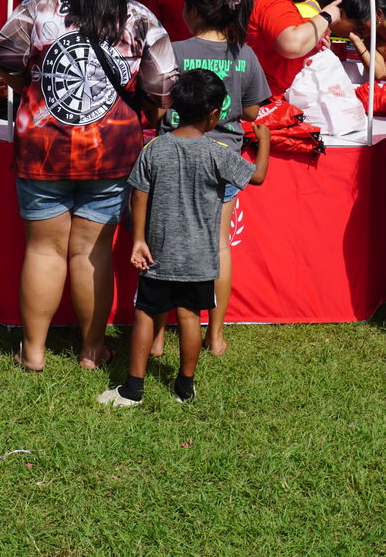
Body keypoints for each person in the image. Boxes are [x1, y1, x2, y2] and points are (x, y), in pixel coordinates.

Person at [0, 0, 177, 372]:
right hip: (110, 152)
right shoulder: (140, 19)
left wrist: (30, 85)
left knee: (43, 250)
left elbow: (2, 54)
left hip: (42, 146)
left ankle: (33, 353)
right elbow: (165, 86)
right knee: (92, 251)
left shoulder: (40, 4)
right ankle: (92, 351)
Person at [99, 69, 270, 407]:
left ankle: (133, 389)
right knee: (191, 318)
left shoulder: (155, 148)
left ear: (175, 107)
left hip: (158, 253)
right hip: (200, 259)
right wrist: (263, 141)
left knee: (146, 316)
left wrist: (138, 239)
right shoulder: (218, 152)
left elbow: (140, 195)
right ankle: (184, 387)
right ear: (213, 114)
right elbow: (259, 176)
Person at [149, 0, 269, 357]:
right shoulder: (244, 54)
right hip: (224, 161)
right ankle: (215, 335)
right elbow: (252, 110)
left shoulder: (174, 50)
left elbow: (158, 104)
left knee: (162, 243)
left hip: (174, 157)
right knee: (218, 246)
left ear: (192, 10)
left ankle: (155, 337)